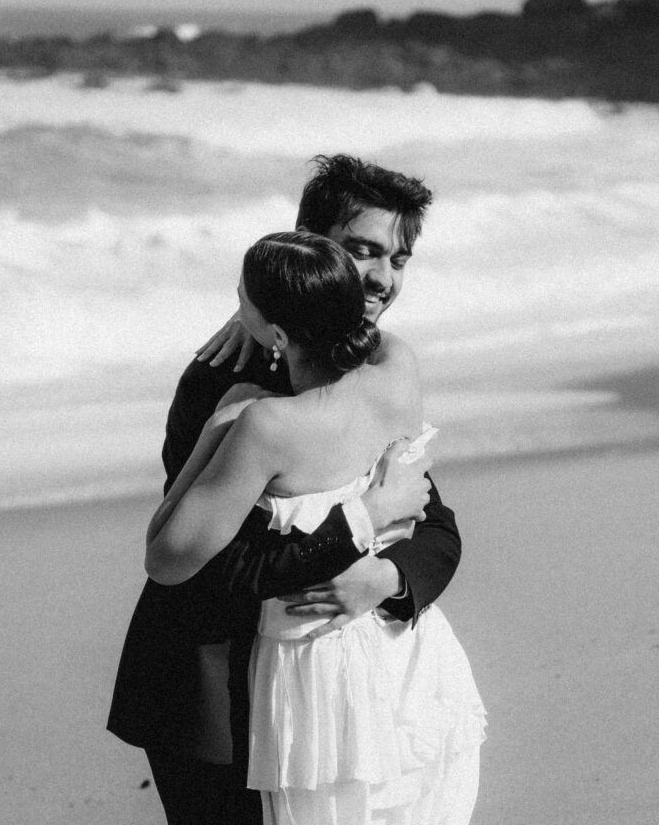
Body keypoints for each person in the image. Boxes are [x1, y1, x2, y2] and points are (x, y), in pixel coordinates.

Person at [107, 154, 462, 825]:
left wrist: (388, 579)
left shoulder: (383, 368)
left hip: (331, 695)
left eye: (398, 259)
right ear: (308, 245)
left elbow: (430, 520)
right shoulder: (221, 380)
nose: (381, 278)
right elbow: (210, 563)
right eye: (362, 251)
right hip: (214, 697)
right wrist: (354, 528)